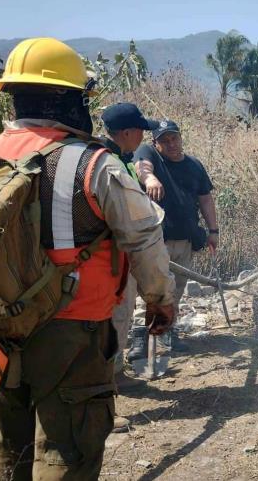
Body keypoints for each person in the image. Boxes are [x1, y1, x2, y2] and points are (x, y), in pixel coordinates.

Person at [0, 38, 175, 480]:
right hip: (74, 330)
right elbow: (144, 237)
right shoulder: (95, 164)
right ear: (71, 99)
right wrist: (160, 300)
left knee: (8, 447)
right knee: (68, 448)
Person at [133, 120, 218, 353]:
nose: (171, 144)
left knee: (176, 290)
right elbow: (142, 167)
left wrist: (213, 231)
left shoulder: (194, 166)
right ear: (156, 143)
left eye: (174, 138)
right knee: (149, 289)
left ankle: (165, 333)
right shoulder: (148, 154)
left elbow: (205, 199)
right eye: (164, 140)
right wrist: (150, 179)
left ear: (181, 138)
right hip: (155, 241)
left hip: (184, 240)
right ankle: (140, 338)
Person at [100, 103, 160, 387]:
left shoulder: (122, 159)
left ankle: (116, 374)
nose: (142, 137)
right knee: (116, 318)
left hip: (120, 259)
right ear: (126, 132)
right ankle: (109, 382)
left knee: (121, 317)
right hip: (112, 261)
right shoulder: (108, 163)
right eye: (140, 131)